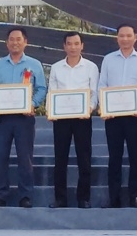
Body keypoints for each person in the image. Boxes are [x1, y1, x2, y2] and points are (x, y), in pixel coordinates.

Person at [0, 26, 47, 209]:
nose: (15, 42)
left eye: (18, 39)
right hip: (2, 119)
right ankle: (0, 195)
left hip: (24, 118)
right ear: (7, 43)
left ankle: (25, 195)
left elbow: (42, 89)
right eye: (11, 39)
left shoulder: (34, 65)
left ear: (25, 42)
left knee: (25, 158)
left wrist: (33, 104)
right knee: (0, 157)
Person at [98, 23, 137, 208]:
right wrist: (103, 107)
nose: (125, 39)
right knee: (114, 157)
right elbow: (101, 84)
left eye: (129, 35)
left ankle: (134, 195)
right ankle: (114, 197)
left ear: (135, 37)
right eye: (122, 36)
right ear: (117, 38)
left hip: (135, 115)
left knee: (135, 156)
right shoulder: (108, 60)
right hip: (112, 116)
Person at [47, 31, 99, 209]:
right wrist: (52, 110)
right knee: (60, 159)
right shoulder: (56, 67)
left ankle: (83, 198)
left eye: (76, 43)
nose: (73, 47)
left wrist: (89, 109)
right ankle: (60, 198)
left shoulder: (91, 67)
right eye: (69, 43)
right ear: (64, 46)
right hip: (61, 119)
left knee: (84, 158)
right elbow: (52, 92)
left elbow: (94, 94)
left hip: (82, 118)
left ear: (82, 45)